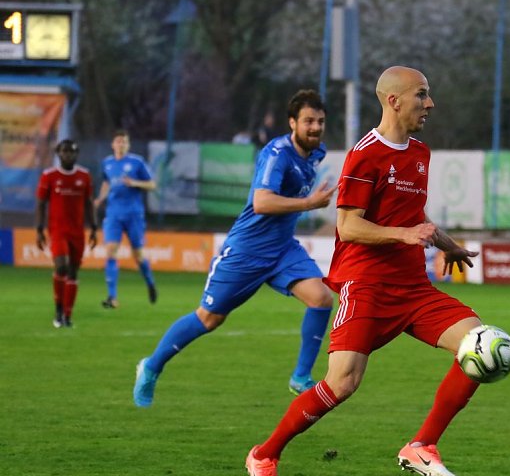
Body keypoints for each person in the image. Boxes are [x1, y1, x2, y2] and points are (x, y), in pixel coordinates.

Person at [244, 65, 499, 476]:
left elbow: (413, 217)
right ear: (393, 100)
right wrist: (404, 234)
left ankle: (422, 446)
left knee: (483, 345)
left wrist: (448, 243)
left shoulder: (420, 153)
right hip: (365, 285)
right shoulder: (365, 155)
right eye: (422, 94)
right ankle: (265, 453)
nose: (430, 103)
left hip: (414, 289)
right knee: (342, 384)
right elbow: (348, 226)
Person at [132, 89, 336, 408]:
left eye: (320, 121)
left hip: (283, 249)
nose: (315, 127)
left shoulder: (316, 153)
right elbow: (262, 201)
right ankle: (151, 366)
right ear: (292, 123)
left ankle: (300, 377)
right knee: (209, 319)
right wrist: (310, 202)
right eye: (308, 121)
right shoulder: (276, 154)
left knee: (322, 298)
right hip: (247, 250)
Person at [35, 139, 98, 328]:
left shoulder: (84, 176)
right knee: (61, 267)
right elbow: (40, 204)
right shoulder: (49, 175)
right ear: (58, 154)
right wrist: (39, 230)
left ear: (76, 154)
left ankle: (67, 316)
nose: (68, 155)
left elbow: (89, 203)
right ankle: (58, 310)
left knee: (73, 272)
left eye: (72, 152)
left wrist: (94, 228)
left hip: (77, 232)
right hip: (57, 230)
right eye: (64, 152)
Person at [94, 129, 158, 308]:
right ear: (113, 144)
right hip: (113, 213)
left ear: (128, 145)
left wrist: (135, 183)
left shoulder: (137, 162)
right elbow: (106, 183)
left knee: (138, 255)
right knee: (110, 251)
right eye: (118, 141)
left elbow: (152, 184)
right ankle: (112, 297)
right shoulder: (107, 163)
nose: (121, 145)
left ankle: (150, 283)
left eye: (124, 142)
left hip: (133, 214)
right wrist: (100, 199)